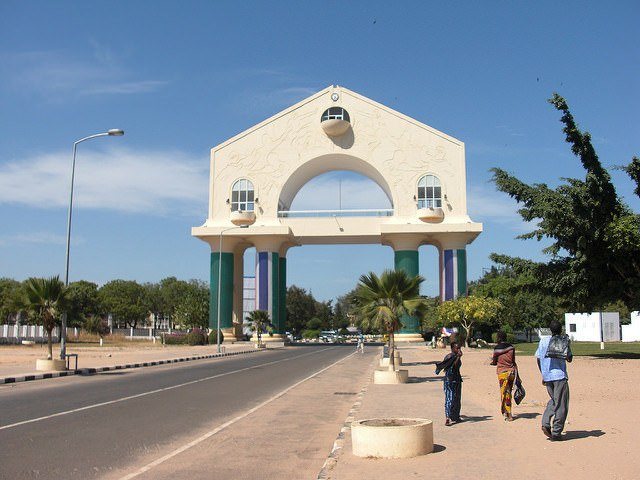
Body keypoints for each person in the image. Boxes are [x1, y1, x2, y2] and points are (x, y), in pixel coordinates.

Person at [535, 319, 573, 441]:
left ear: (550, 329)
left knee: (554, 400)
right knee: (561, 404)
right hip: (559, 376)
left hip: (547, 376)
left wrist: (543, 374)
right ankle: (556, 432)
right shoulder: (563, 340)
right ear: (560, 329)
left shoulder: (543, 341)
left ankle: (546, 422)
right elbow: (569, 357)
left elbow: (538, 358)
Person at [490, 331, 517, 421]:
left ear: (499, 338)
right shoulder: (511, 348)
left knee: (504, 393)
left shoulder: (497, 349)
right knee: (509, 392)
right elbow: (513, 361)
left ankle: (508, 413)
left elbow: (494, 361)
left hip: (502, 373)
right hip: (512, 372)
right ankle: (507, 411)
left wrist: (494, 362)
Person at [435, 341, 463, 426]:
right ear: (452, 349)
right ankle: (448, 417)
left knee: (457, 399)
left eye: (459, 348)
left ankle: (455, 416)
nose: (458, 349)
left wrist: (458, 357)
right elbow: (453, 367)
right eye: (457, 348)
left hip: (457, 380)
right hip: (449, 381)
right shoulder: (450, 357)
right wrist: (458, 357)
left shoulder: (455, 356)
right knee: (449, 398)